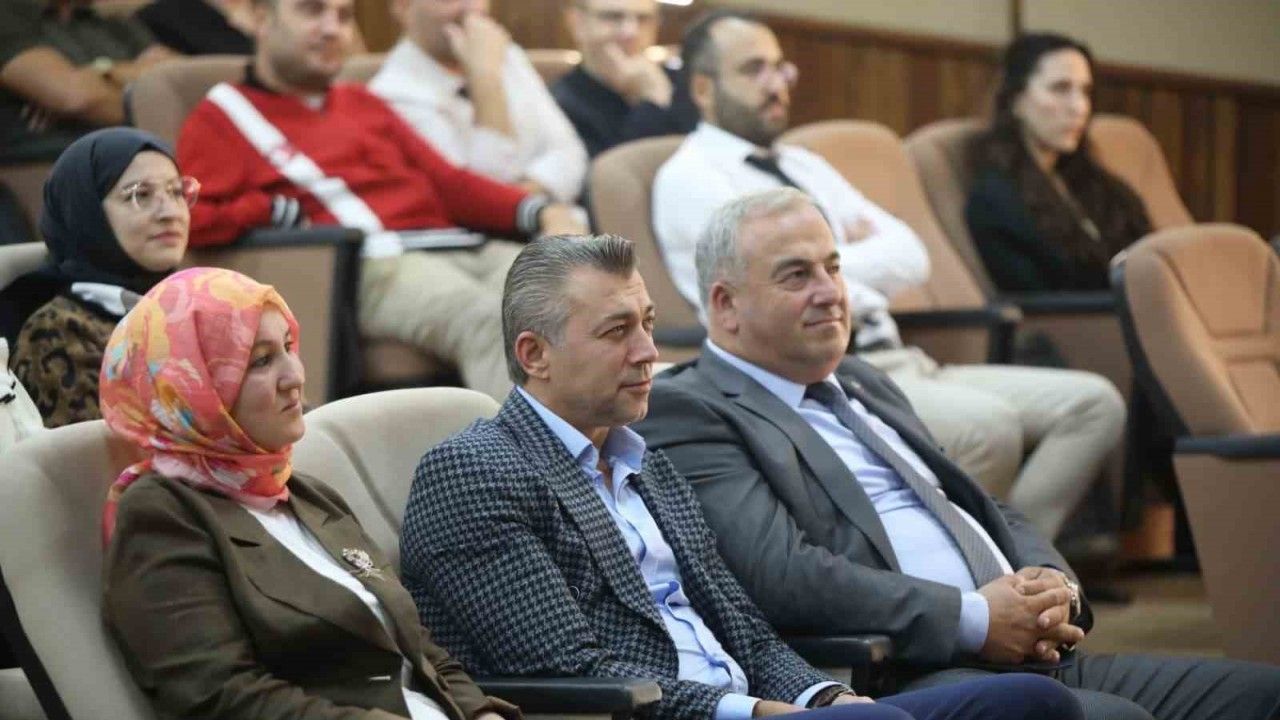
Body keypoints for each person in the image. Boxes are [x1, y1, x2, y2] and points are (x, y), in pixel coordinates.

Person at [634, 188, 1280, 720]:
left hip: (1032, 651)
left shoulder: (862, 381)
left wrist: (1052, 585)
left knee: (1262, 694)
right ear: (726, 304)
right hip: (910, 673)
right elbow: (784, 575)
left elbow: (978, 504)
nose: (830, 292)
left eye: (833, 267)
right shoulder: (690, 407)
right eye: (797, 276)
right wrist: (975, 619)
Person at [399, 234, 1086, 720]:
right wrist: (759, 712)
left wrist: (827, 698)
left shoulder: (646, 462)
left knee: (1033, 702)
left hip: (762, 705)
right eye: (616, 332)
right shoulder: (476, 472)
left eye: (648, 324)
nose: (648, 352)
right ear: (534, 355)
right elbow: (572, 676)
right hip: (676, 715)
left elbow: (747, 632)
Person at [651, 10, 1124, 540]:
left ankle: (1009, 554)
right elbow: (765, 288)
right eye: (753, 69)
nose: (776, 82)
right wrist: (846, 251)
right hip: (827, 373)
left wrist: (812, 266)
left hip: (899, 359)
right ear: (703, 88)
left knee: (1094, 405)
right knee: (989, 428)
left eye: (780, 67)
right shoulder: (690, 177)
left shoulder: (803, 164)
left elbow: (911, 254)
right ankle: (972, 562)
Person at [100, 266, 521, 720]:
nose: (294, 376)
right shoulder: (163, 514)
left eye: (288, 347)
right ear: (191, 388)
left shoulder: (303, 493)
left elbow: (418, 647)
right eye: (260, 361)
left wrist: (480, 713)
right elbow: (218, 696)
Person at [176, 0, 584, 401]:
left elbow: (449, 183)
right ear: (261, 18)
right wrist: (268, 211)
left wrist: (537, 211)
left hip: (455, 244)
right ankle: (534, 448)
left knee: (572, 294)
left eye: (343, 16)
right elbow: (189, 219)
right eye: (312, 11)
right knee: (490, 319)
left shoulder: (362, 102)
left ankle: (602, 441)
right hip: (370, 264)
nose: (332, 29)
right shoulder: (222, 116)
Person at [10, 127, 193, 428]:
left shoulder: (194, 304)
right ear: (86, 211)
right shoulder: (58, 333)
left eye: (176, 192)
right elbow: (97, 456)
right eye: (140, 195)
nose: (170, 212)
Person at [966, 33, 1152, 292]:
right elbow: (1036, 301)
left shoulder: (1099, 185)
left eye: (1085, 91)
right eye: (1061, 89)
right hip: (1082, 318)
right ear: (1016, 100)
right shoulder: (997, 199)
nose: (1080, 107)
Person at [370, 0, 588, 202]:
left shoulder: (506, 55)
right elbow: (475, 198)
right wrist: (486, 80)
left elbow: (571, 155)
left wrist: (520, 199)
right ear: (403, 7)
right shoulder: (391, 95)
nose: (473, 8)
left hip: (554, 219)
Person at [0, 0, 178, 164]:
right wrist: (145, 84)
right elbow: (75, 97)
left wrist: (103, 70)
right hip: (53, 165)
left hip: (143, 155)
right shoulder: (10, 16)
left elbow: (181, 80)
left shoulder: (113, 22)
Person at [551, 0, 698, 158]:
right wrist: (652, 103)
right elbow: (611, 168)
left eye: (643, 19)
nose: (631, 32)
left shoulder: (684, 83)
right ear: (577, 22)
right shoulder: (558, 105)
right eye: (613, 17)